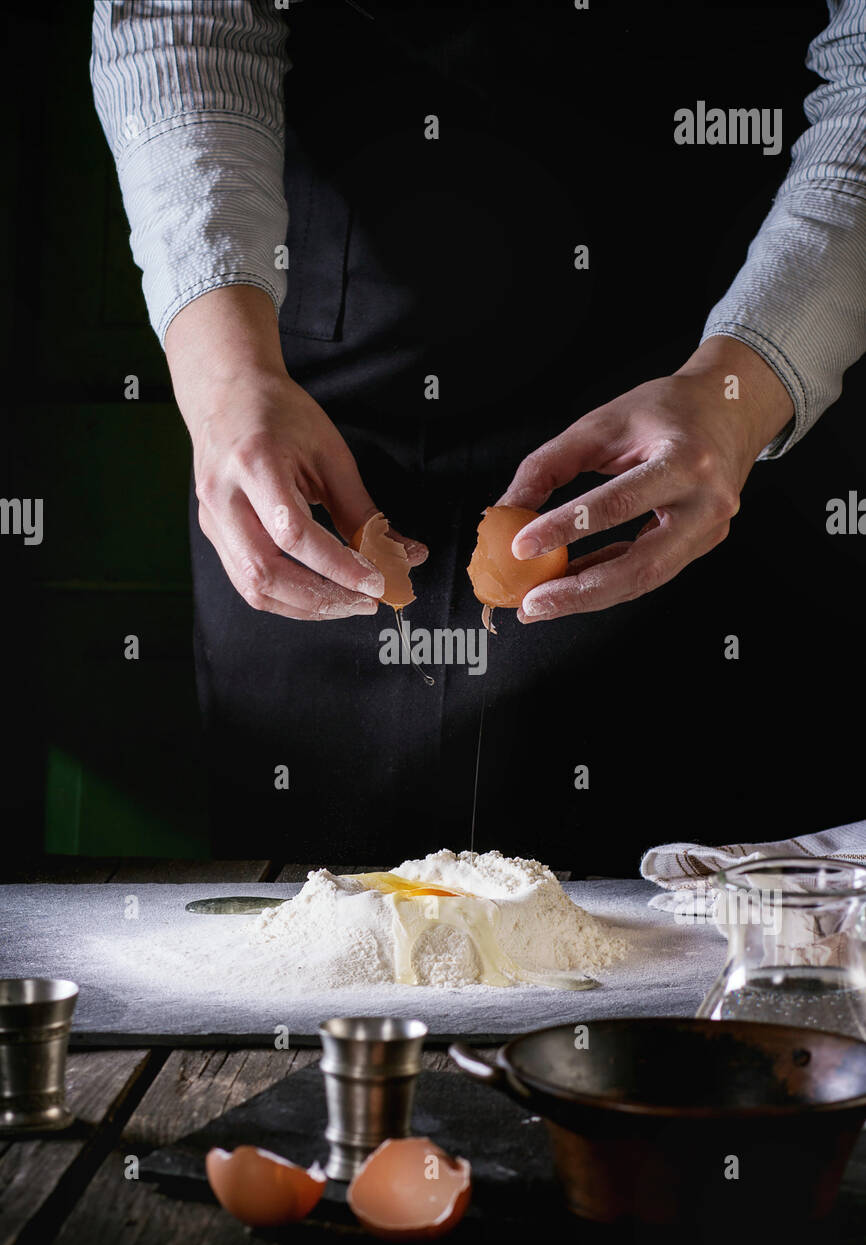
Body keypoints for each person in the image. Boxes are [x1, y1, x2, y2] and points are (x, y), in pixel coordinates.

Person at [91, 1, 866, 871]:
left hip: (736, 370)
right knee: (325, 942)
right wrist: (227, 379)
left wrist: (745, 382)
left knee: (730, 933)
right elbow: (177, 21)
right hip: (320, 402)